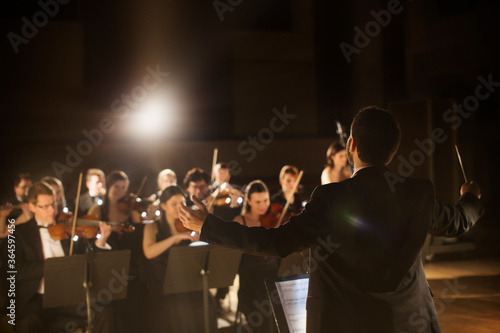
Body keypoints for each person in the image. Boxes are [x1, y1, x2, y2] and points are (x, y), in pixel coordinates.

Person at [179, 106, 484, 333]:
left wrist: (208, 225)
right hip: (409, 322)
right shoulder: (420, 194)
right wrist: (471, 197)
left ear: (351, 145)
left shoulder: (331, 198)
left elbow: (277, 242)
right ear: (392, 150)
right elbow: (459, 220)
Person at [15, 181, 113, 333]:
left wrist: (100, 242)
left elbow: (88, 258)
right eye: (45, 206)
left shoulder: (69, 227)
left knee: (103, 313)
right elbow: (16, 270)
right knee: (28, 323)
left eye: (54, 204)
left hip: (69, 296)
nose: (52, 211)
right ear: (32, 207)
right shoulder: (20, 234)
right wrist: (51, 267)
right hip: (40, 299)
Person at [142, 185, 216, 332]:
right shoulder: (153, 227)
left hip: (187, 280)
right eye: (173, 204)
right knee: (178, 309)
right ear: (163, 206)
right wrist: (175, 238)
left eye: (181, 203)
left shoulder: (189, 225)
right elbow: (149, 252)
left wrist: (198, 242)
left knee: (209, 302)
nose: (178, 207)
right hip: (163, 285)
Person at [233, 180, 280, 333]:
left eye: (266, 200)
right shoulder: (241, 221)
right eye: (258, 201)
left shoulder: (273, 220)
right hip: (251, 281)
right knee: (264, 310)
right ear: (248, 201)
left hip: (273, 276)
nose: (263, 205)